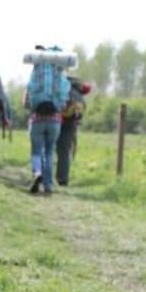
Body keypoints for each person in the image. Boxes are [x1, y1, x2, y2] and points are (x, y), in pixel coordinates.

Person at [25, 46, 72, 194]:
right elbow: (65, 97)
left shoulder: (36, 72)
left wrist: (32, 107)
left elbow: (29, 93)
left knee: (36, 151)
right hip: (55, 121)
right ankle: (48, 185)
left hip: (37, 119)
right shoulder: (59, 73)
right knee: (50, 152)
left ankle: (37, 172)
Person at [56, 77, 92, 186]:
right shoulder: (78, 94)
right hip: (71, 124)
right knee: (65, 152)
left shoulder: (62, 88)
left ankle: (43, 176)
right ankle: (62, 179)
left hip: (57, 121)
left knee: (47, 149)